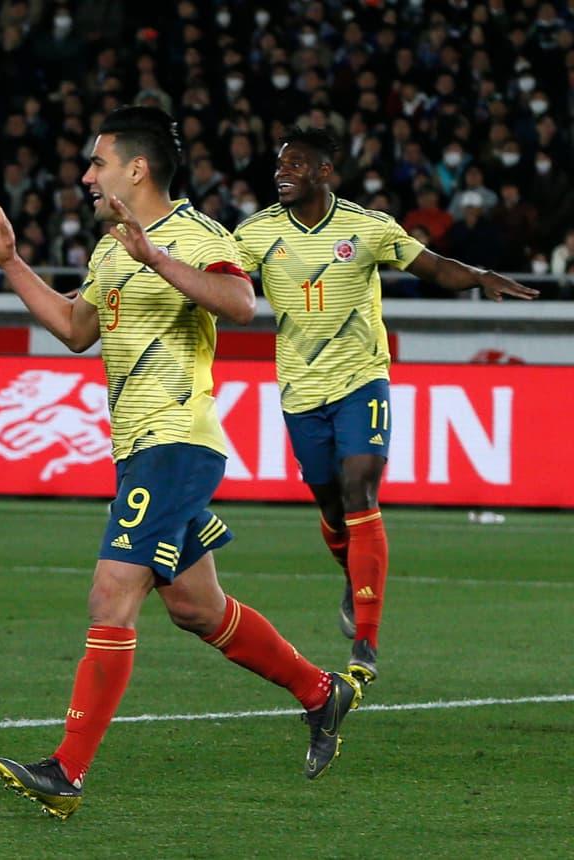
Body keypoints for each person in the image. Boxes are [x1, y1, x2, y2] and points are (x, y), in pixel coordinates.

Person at [0, 106, 363, 821]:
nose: (88, 176)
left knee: (111, 593)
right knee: (196, 607)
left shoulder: (198, 234)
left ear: (137, 168)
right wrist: (10, 263)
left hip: (177, 443)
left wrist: (156, 259)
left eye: (98, 162)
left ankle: (66, 771)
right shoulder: (109, 249)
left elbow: (240, 302)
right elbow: (76, 329)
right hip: (138, 450)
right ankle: (319, 691)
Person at [233, 127, 538, 687]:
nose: (282, 173)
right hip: (300, 389)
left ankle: (366, 642)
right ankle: (354, 576)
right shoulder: (256, 232)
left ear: (324, 172)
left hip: (362, 380)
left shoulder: (367, 227)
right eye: (280, 164)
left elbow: (432, 266)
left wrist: (478, 277)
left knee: (361, 490)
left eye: (295, 165)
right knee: (332, 507)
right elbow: (219, 278)